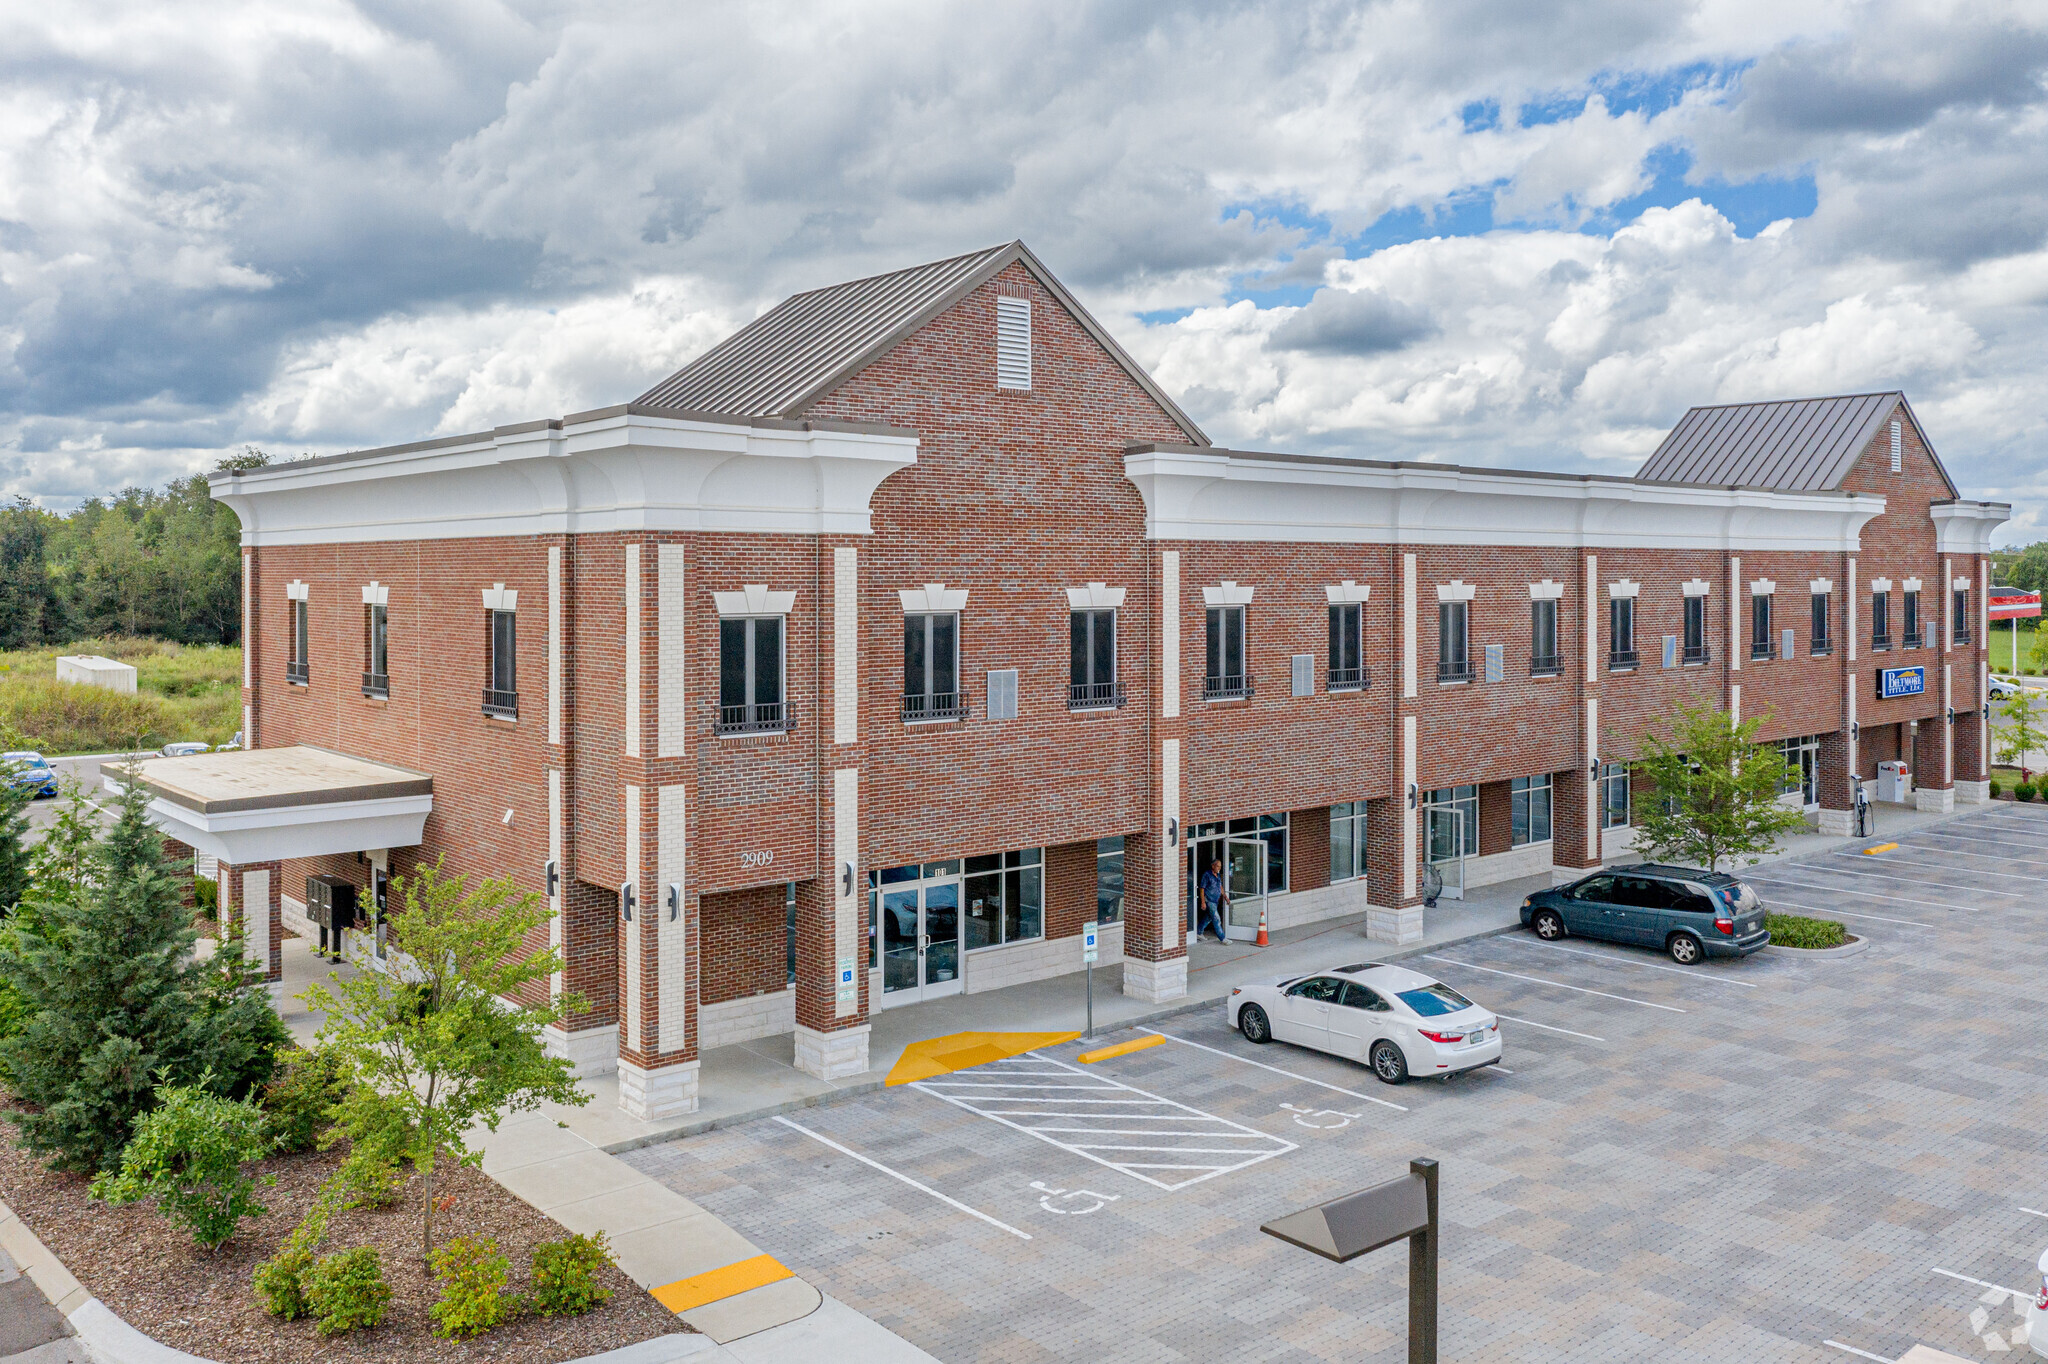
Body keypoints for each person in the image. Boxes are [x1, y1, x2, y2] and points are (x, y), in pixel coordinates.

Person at [1198, 857, 1229, 945]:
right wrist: (1203, 902)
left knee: (1208, 918)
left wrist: (1225, 897)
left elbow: (1220, 887)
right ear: (1213, 866)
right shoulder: (1207, 875)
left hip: (1215, 900)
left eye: (1220, 866)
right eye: (1218, 866)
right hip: (1209, 900)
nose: (1219, 868)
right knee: (1216, 919)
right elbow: (1202, 889)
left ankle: (1198, 932)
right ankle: (1222, 938)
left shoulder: (1218, 875)